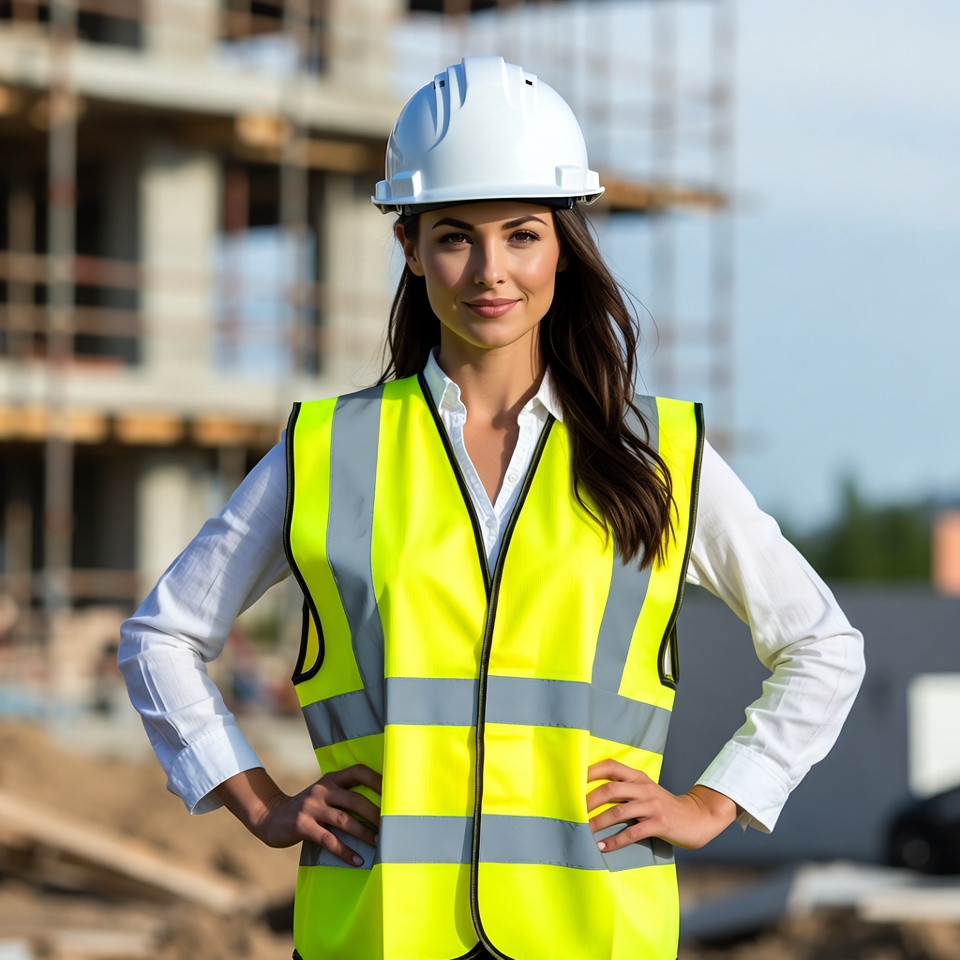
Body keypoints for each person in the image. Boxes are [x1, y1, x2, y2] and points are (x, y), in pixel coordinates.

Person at [119, 56, 864, 960]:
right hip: (382, 932)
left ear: (563, 243)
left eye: (521, 234)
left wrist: (716, 800)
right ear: (410, 246)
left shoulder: (657, 452)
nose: (490, 271)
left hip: (592, 931)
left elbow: (822, 645)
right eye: (455, 237)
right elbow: (161, 636)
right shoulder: (328, 449)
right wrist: (258, 800)